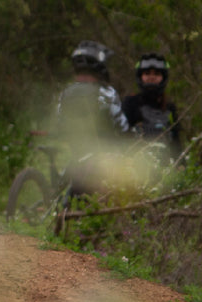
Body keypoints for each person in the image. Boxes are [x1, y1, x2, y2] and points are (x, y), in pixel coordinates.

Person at [53, 40, 130, 195]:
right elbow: (122, 125)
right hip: (103, 156)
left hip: (76, 154)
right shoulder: (106, 92)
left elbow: (59, 122)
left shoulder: (65, 93)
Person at [122, 52, 181, 159]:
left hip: (166, 167)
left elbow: (176, 143)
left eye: (157, 74)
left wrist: (181, 166)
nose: (152, 77)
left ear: (163, 77)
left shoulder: (169, 108)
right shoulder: (130, 103)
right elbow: (122, 138)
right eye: (147, 73)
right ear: (141, 76)